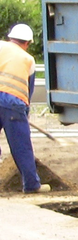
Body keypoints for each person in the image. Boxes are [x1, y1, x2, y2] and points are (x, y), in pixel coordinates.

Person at [0, 23, 49, 193]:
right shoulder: (29, 60)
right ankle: (31, 185)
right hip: (13, 103)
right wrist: (24, 115)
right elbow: (28, 91)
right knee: (22, 147)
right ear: (28, 43)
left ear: (10, 37)